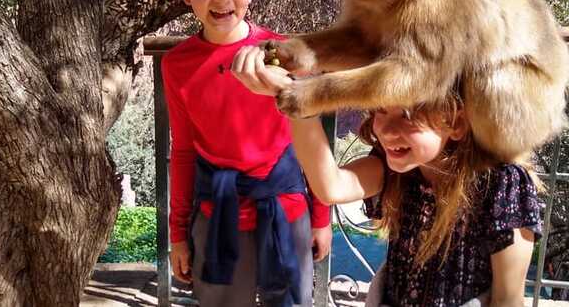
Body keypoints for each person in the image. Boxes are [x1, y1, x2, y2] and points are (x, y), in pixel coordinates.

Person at [232, 45, 543, 307]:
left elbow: (508, 299)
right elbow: (330, 186)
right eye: (381, 110)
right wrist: (293, 96)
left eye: (408, 115)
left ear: (456, 122)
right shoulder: (397, 170)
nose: (388, 131)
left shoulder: (503, 184)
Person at [162, 0, 332, 307]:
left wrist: (321, 216)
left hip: (286, 210)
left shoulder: (282, 52)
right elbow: (185, 151)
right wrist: (176, 235)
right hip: (216, 215)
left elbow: (311, 136)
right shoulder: (177, 65)